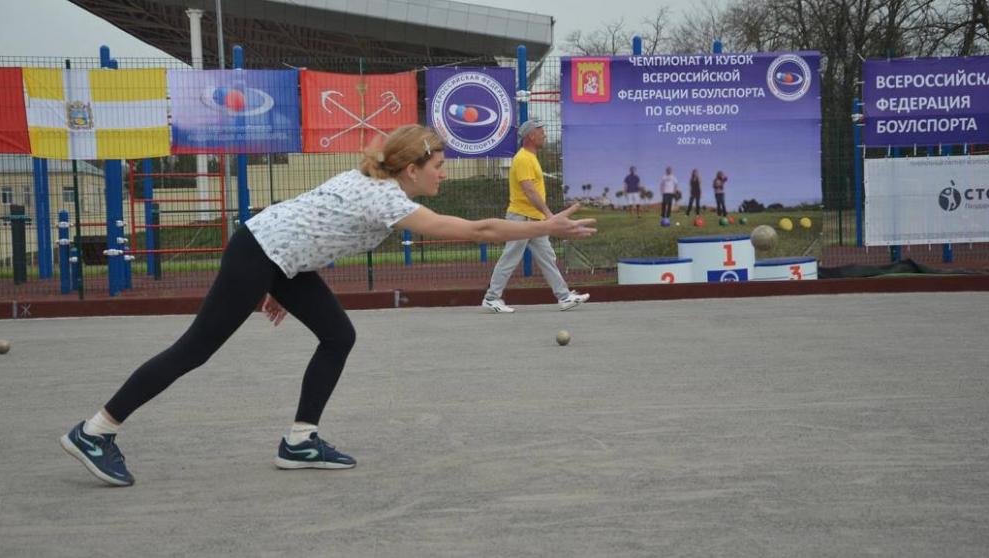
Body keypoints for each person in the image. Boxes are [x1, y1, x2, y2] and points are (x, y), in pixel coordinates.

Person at [59, 125, 597, 487]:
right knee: (196, 348)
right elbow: (474, 229)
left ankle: (299, 441)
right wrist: (544, 226)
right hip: (259, 252)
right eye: (439, 164)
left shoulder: (373, 180)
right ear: (411, 168)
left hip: (277, 257)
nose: (443, 173)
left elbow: (307, 220)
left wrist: (280, 278)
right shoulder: (382, 196)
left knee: (338, 335)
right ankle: (96, 429)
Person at [481, 118, 591, 314]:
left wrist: (542, 216)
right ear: (531, 135)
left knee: (547, 257)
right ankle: (491, 298)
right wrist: (549, 215)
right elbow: (529, 191)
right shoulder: (523, 158)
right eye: (541, 131)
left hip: (532, 219)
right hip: (521, 219)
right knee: (510, 257)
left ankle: (564, 297)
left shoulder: (530, 157)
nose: (545, 134)